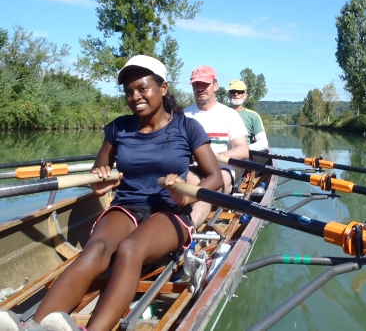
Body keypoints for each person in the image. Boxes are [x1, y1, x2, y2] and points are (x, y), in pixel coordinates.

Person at [30, 55, 222, 331]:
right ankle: (33, 325)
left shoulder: (187, 127)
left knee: (129, 249)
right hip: (126, 207)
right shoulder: (119, 127)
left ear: (163, 88)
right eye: (129, 91)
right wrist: (99, 180)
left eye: (142, 88)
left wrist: (190, 195)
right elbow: (100, 172)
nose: (135, 96)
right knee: (95, 249)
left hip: (169, 211)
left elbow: (214, 176)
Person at [183, 66, 249, 223]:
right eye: (196, 84)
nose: (200, 88)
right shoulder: (182, 116)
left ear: (215, 85)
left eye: (204, 84)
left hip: (222, 170)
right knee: (186, 182)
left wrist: (214, 157)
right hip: (192, 169)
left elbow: (243, 150)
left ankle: (188, 232)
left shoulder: (229, 114)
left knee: (204, 189)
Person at [227, 79, 269, 151]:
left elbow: (263, 143)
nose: (236, 94)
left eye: (240, 92)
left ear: (245, 95)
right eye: (233, 91)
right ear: (228, 94)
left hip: (244, 156)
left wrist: (243, 149)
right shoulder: (218, 113)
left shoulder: (253, 116)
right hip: (221, 154)